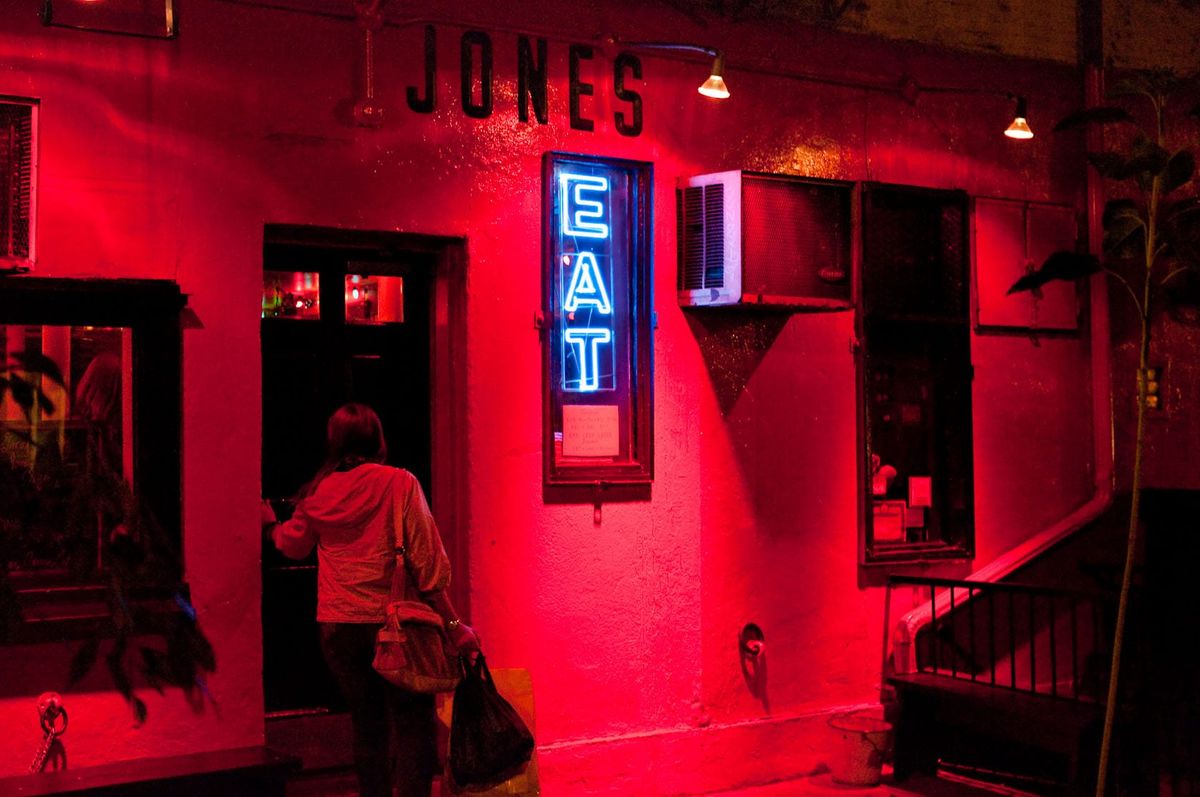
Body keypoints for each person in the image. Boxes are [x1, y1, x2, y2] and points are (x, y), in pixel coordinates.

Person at [261, 402, 479, 797]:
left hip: (337, 626)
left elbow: (292, 546)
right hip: (392, 626)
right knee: (412, 722)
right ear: (378, 440)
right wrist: (452, 625)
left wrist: (270, 526)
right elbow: (427, 562)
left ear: (333, 442)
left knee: (367, 724)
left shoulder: (318, 492)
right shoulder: (399, 484)